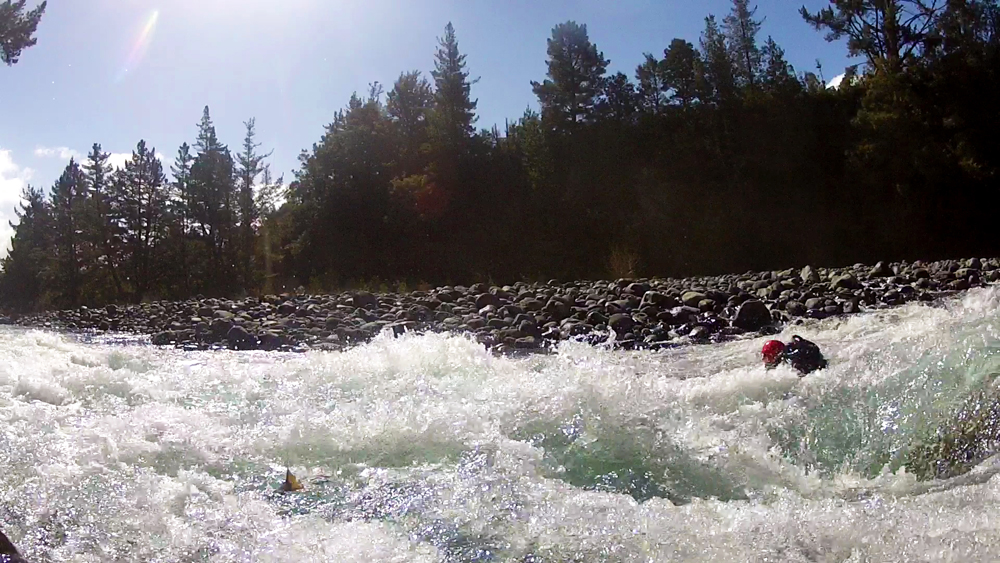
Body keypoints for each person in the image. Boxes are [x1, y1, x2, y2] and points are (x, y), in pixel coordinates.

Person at [762, 335, 827, 376]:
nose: (763, 359)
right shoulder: (790, 350)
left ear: (774, 354)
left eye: (766, 356)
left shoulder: (789, 359)